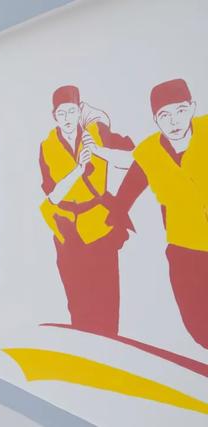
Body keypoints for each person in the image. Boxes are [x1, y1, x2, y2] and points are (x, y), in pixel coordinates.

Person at [111, 78, 208, 349]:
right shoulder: (149, 153)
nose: (174, 121)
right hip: (184, 248)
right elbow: (125, 196)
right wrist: (114, 221)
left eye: (180, 110)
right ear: (155, 120)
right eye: (164, 115)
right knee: (198, 326)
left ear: (192, 107)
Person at [38, 85, 134, 336]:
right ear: (54, 116)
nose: (67, 119)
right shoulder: (47, 146)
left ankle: (110, 347)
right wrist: (79, 170)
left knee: (107, 295)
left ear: (80, 111)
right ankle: (85, 349)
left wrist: (99, 151)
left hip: (100, 226)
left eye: (71, 111)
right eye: (61, 113)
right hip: (66, 229)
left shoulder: (97, 132)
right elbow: (53, 195)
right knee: (77, 298)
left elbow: (134, 159)